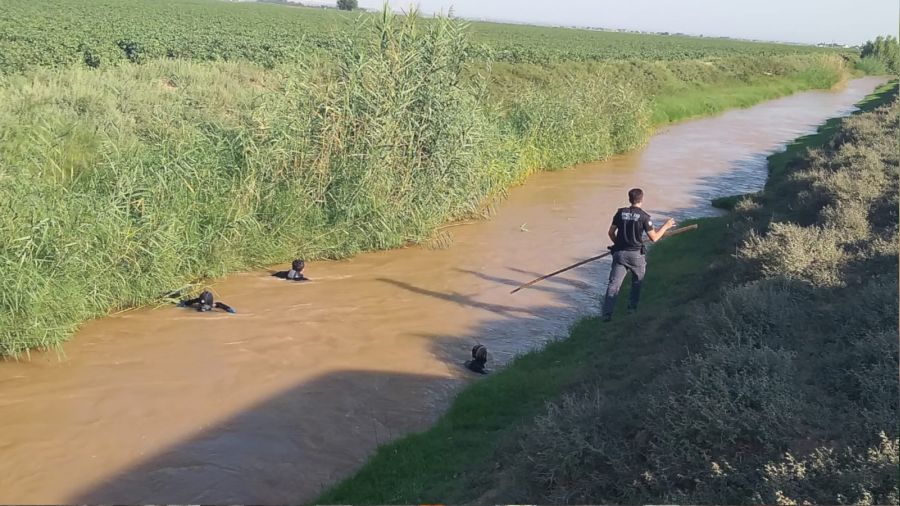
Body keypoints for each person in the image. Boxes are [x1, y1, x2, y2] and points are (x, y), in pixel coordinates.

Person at [602, 188, 674, 322]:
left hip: (619, 254)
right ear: (641, 199)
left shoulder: (620, 213)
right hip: (636, 255)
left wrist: (618, 244)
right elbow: (654, 238)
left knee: (613, 284)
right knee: (637, 282)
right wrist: (666, 226)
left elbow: (611, 233)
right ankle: (631, 309)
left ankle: (607, 314)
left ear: (629, 199)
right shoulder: (644, 217)